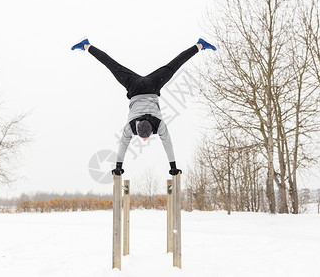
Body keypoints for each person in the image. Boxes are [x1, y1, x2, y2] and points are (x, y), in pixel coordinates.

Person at [71, 37, 216, 176]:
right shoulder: (133, 126)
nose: (144, 140)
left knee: (172, 66)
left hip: (152, 85)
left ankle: (199, 45)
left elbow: (166, 143)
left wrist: (173, 167)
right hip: (135, 86)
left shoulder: (158, 125)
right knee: (114, 66)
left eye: (144, 138)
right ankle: (86, 45)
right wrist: (118, 167)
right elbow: (124, 144)